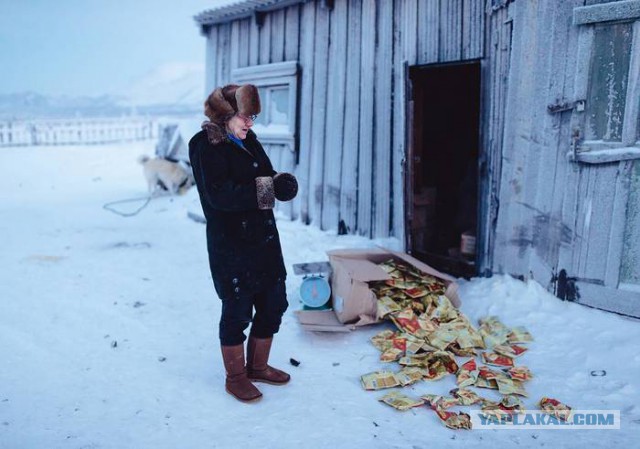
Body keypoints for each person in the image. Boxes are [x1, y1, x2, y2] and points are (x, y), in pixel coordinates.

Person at [189, 84, 298, 403]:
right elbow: (219, 195)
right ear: (225, 115)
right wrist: (267, 188)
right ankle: (236, 377)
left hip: (263, 241)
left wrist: (280, 183)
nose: (251, 123)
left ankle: (258, 367)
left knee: (274, 302)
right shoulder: (205, 145)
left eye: (252, 117)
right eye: (245, 116)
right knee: (237, 311)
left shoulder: (248, 140)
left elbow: (264, 175)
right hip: (232, 244)